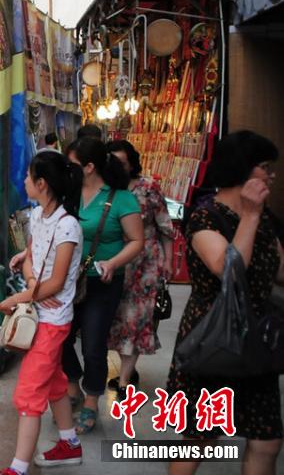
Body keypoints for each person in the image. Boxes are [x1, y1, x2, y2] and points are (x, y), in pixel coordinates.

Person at [167, 131, 283, 475]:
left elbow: (278, 270)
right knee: (200, 438)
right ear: (242, 169)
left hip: (255, 341)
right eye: (265, 167)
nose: (271, 176)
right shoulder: (205, 217)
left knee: (266, 441)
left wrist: (257, 216)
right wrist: (250, 216)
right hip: (214, 339)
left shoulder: (266, 218)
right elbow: (229, 269)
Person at [0, 151, 85, 475]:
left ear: (42, 183)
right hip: (39, 312)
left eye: (28, 176)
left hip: (53, 321)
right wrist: (34, 285)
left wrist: (19, 297)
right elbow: (32, 256)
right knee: (54, 382)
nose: (24, 181)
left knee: (29, 392)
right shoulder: (36, 215)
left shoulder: (68, 226)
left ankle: (18, 468)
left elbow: (58, 282)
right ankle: (69, 443)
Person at [62, 137, 144, 434]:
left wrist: (113, 263)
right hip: (67, 281)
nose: (66, 168)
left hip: (103, 283)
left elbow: (137, 240)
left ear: (89, 167)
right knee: (60, 337)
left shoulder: (121, 198)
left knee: (93, 345)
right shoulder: (68, 193)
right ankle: (73, 384)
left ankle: (91, 402)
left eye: (71, 163)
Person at [106, 139, 174, 401]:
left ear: (132, 163)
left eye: (123, 163)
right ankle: (128, 369)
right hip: (114, 263)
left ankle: (124, 380)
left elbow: (165, 226)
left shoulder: (148, 188)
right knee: (117, 320)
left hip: (145, 265)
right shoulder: (106, 190)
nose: (118, 167)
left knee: (136, 321)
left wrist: (168, 261)